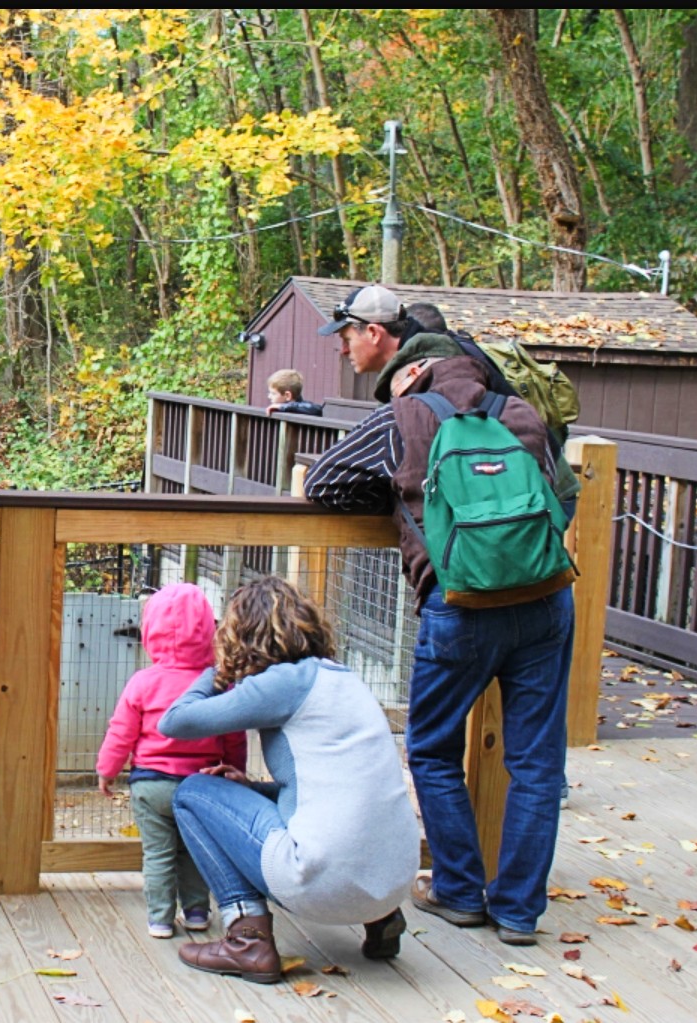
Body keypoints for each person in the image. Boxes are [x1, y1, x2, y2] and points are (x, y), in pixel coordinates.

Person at [304, 283, 576, 946]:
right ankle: (516, 909)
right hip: (545, 599)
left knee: (430, 747)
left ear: (380, 335)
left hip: (459, 604)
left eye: (345, 333)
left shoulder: (403, 414)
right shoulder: (511, 404)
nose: (341, 345)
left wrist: (403, 500)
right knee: (536, 761)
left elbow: (322, 485)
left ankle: (457, 888)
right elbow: (560, 496)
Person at [158, 575, 417, 983]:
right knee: (343, 814)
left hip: (321, 885)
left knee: (193, 794)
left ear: (242, 633)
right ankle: (382, 921)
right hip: (394, 878)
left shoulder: (281, 682)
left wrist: (219, 669)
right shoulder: (342, 677)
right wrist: (253, 790)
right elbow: (331, 791)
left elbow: (177, 721)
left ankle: (247, 941)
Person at [96, 583, 248, 940]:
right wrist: (235, 769)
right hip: (201, 784)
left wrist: (107, 769)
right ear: (210, 633)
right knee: (195, 849)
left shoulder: (142, 682)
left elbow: (122, 732)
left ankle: (160, 919)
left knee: (158, 853)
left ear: (150, 632)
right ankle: (197, 912)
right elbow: (233, 735)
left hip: (151, 785)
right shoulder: (217, 683)